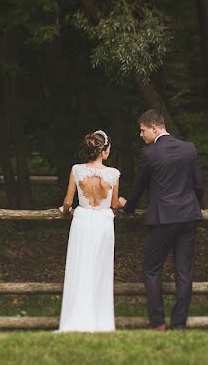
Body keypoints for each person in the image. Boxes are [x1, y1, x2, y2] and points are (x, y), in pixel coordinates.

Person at [123, 109, 205, 331]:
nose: (141, 135)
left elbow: (139, 187)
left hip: (163, 219)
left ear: (154, 128)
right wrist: (193, 206)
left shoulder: (149, 154)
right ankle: (179, 324)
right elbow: (199, 184)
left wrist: (128, 208)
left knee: (151, 269)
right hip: (188, 216)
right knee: (184, 272)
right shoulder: (189, 149)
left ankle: (158, 322)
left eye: (142, 131)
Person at [57, 130, 127, 332]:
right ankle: (98, 317)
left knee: (80, 265)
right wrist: (121, 202)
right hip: (103, 222)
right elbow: (114, 204)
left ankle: (77, 316)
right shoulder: (113, 174)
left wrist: (64, 210)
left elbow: (68, 201)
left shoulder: (77, 170)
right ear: (104, 151)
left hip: (83, 220)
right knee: (100, 267)